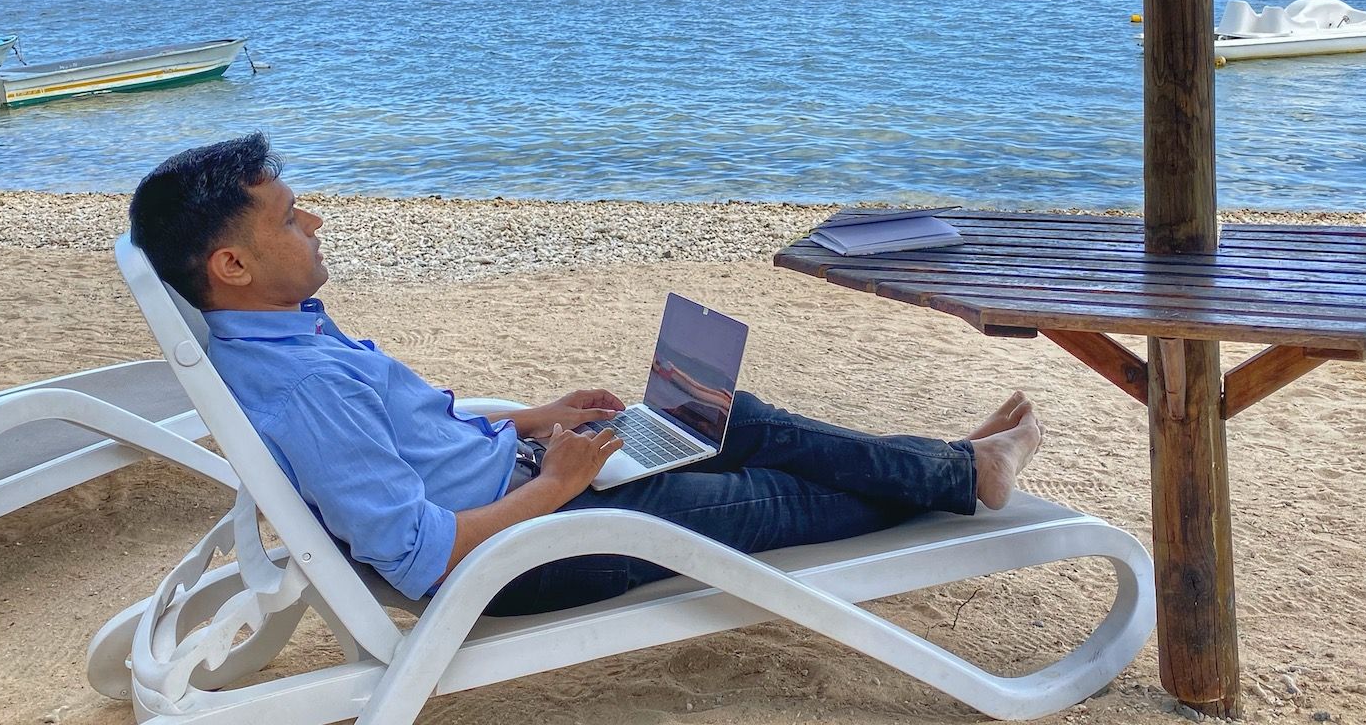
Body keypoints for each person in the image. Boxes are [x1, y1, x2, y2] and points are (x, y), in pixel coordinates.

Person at [128, 133, 1043, 615]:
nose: (315, 224)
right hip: (522, 556)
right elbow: (417, 553)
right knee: (774, 493)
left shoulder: (288, 337)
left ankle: (955, 466)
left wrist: (536, 420)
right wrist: (559, 483)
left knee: (726, 413)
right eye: (289, 219)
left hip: (538, 485)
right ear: (232, 268)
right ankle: (961, 472)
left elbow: (419, 441)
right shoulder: (304, 387)